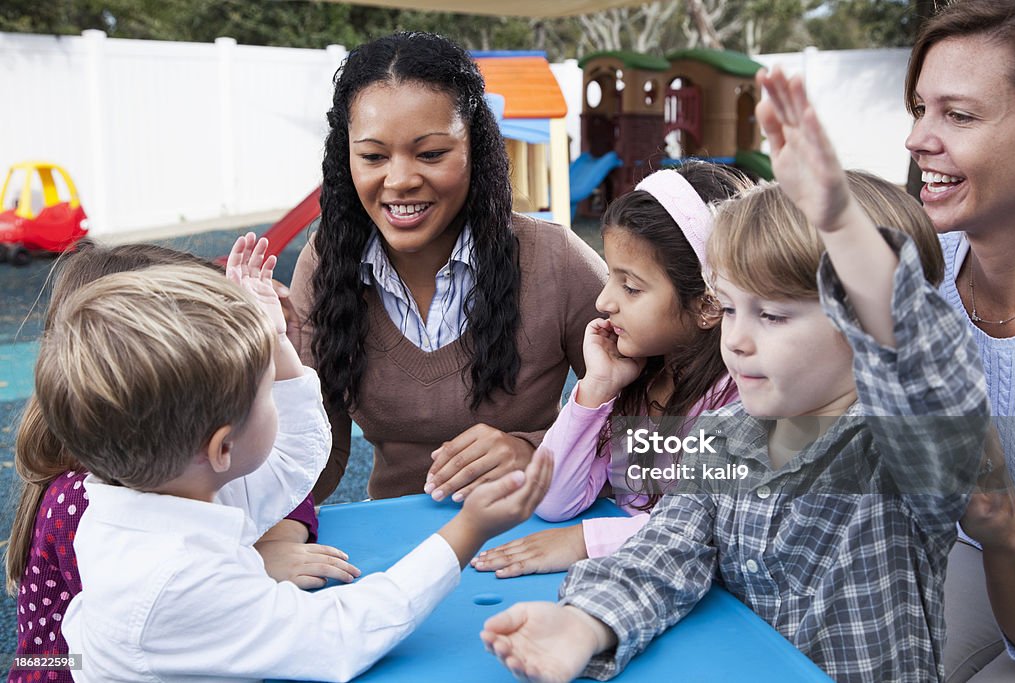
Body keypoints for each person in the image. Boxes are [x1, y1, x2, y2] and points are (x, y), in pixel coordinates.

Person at [479, 67, 990, 682]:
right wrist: (584, 623)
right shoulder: (724, 434)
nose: (737, 339)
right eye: (728, 308)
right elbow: (664, 554)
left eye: (772, 314)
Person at [34, 240, 551, 682]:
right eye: (267, 392)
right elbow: (343, 634)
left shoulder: (152, 491)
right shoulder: (178, 579)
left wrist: (274, 340)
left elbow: (293, 461)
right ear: (220, 449)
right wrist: (469, 530)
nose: (282, 388)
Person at [4, 240, 351, 683]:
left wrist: (278, 537)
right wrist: (247, 572)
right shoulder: (84, 503)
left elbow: (275, 470)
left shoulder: (184, 445)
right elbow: (99, 651)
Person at [288, 31, 605, 503]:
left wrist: (539, 454)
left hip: (533, 538)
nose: (400, 180)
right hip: (395, 552)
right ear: (345, 158)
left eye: (431, 153)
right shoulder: (327, 265)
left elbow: (671, 438)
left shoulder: (554, 260)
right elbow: (316, 453)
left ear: (475, 146)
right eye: (373, 156)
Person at [471, 162, 747, 578]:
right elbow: (553, 500)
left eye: (631, 287)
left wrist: (586, 541)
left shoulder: (738, 399)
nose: (604, 301)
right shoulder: (637, 382)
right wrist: (596, 388)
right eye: (610, 277)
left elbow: (715, 530)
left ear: (708, 304)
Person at [903, 1, 1015, 678]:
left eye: (958, 114)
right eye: (920, 109)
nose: (918, 139)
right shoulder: (923, 269)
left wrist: (1001, 529)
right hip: (961, 551)